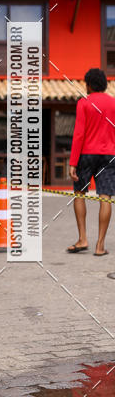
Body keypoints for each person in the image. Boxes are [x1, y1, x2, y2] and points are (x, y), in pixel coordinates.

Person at [68, 68, 115, 256]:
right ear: (104, 84)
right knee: (105, 197)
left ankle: (82, 239)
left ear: (88, 84)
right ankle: (100, 246)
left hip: (86, 154)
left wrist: (73, 162)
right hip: (109, 155)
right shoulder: (113, 103)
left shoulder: (83, 103)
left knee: (80, 194)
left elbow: (79, 134)